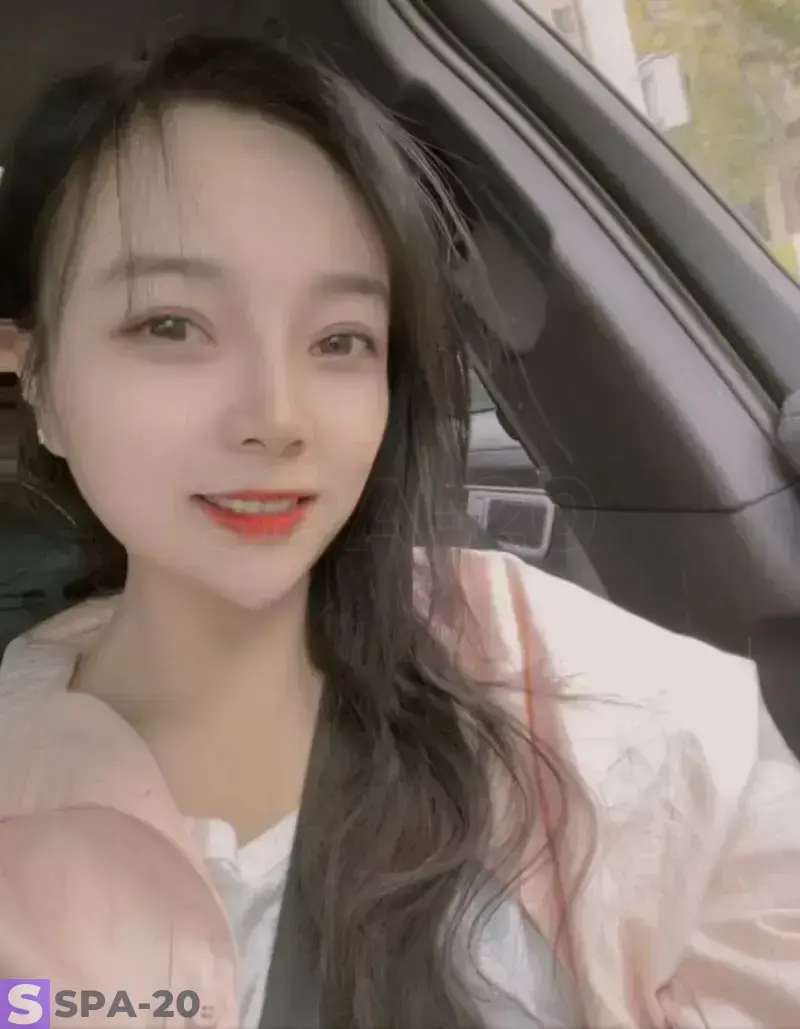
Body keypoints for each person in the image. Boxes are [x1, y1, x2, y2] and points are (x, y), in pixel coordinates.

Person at [0, 30, 798, 1029]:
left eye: (340, 339)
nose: (277, 416)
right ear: (35, 376)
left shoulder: (581, 697)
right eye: (171, 324)